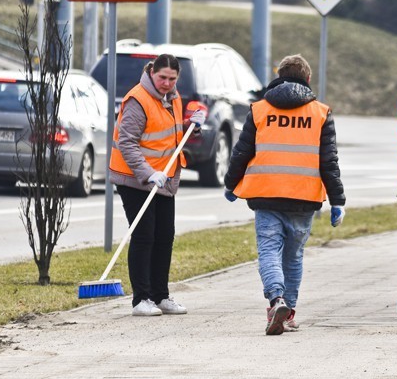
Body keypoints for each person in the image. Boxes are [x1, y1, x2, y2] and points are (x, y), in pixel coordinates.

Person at [224, 54, 346, 335]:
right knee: (294, 257)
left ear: (279, 75)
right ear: (308, 79)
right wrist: (338, 200)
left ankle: (275, 300)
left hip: (266, 194)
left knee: (269, 251)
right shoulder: (320, 112)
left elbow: (242, 152)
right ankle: (288, 312)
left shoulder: (259, 110)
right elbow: (329, 161)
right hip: (304, 198)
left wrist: (232, 184)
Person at [109, 54, 205, 317]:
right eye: (162, 77)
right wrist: (148, 173)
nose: (166, 83)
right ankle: (141, 299)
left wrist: (191, 128)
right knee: (144, 235)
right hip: (135, 179)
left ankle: (160, 296)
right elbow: (127, 142)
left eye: (172, 79)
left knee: (165, 236)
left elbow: (169, 137)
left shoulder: (173, 97)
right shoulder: (137, 100)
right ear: (152, 72)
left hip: (165, 178)